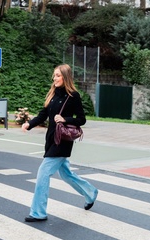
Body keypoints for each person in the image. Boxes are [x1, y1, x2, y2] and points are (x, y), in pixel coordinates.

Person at [21, 64, 98, 223]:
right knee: (66, 174)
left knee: (43, 174)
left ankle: (38, 212)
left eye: (57, 75)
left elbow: (81, 119)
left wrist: (65, 119)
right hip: (51, 139)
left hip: (62, 141)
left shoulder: (73, 96)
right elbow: (43, 115)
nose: (54, 78)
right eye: (54, 75)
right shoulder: (53, 94)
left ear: (65, 76)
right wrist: (29, 124)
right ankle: (90, 193)